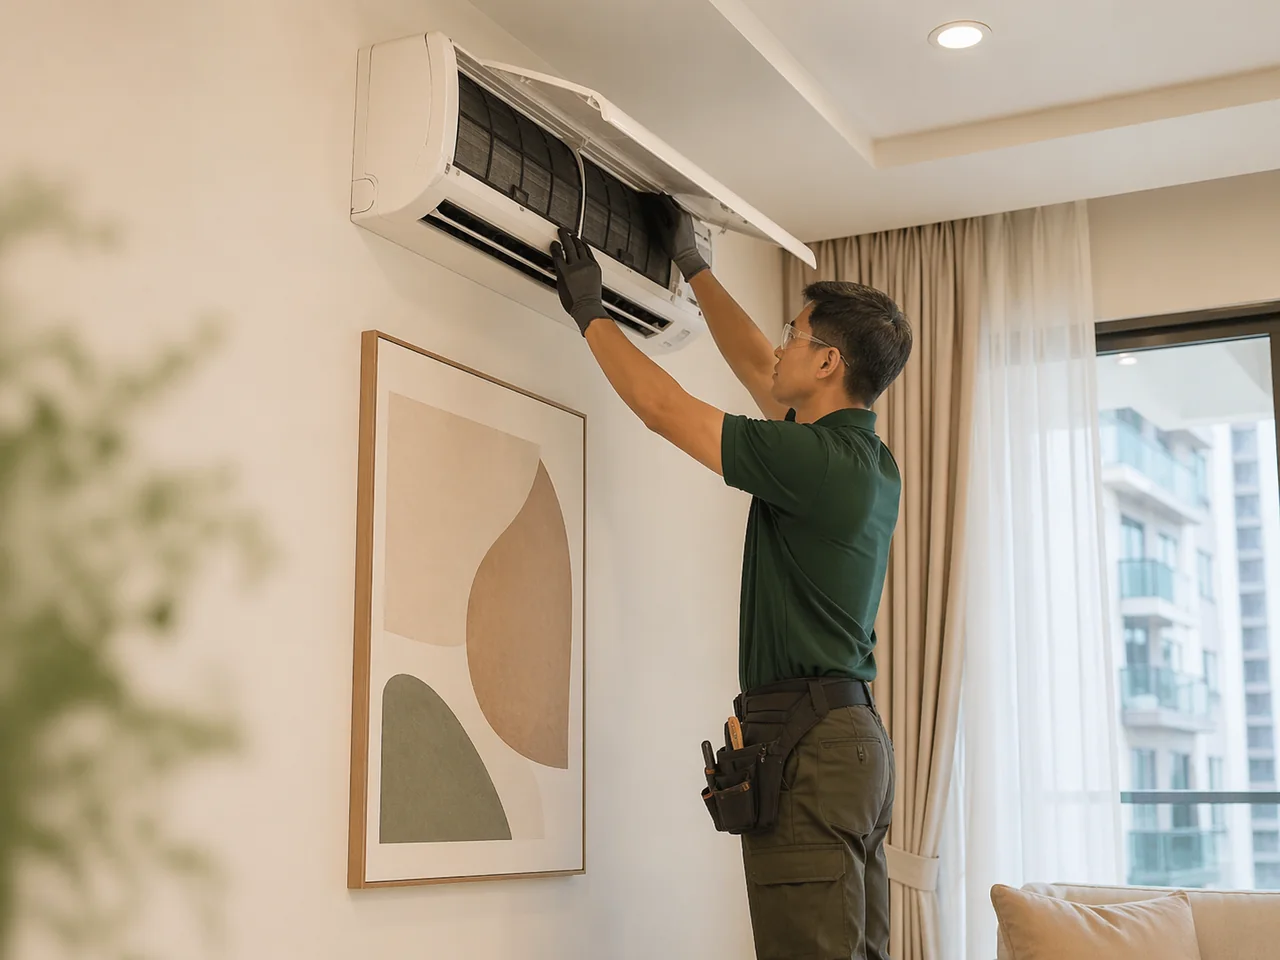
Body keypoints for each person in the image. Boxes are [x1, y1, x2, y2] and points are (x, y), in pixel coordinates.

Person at [550, 196, 911, 960]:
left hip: (813, 744)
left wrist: (591, 315)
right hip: (845, 739)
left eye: (796, 334)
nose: (780, 346)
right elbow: (755, 364)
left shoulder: (814, 464)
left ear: (827, 364)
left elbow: (662, 409)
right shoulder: (866, 462)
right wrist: (693, 265)